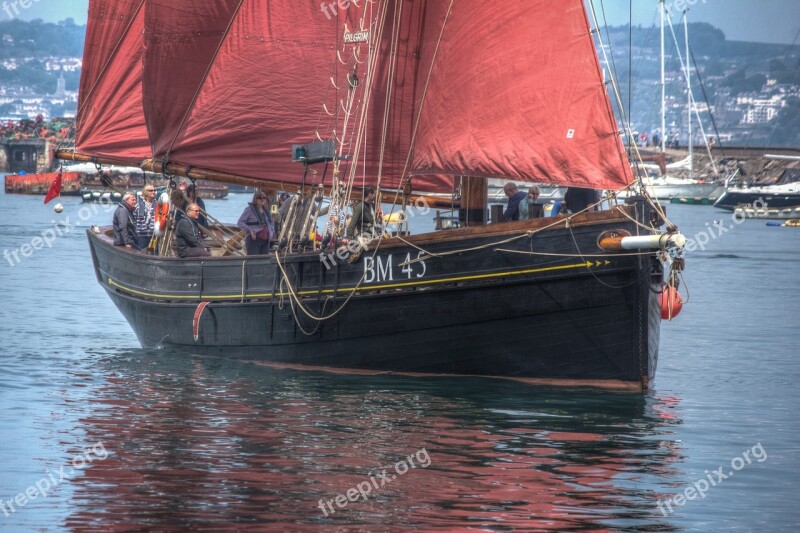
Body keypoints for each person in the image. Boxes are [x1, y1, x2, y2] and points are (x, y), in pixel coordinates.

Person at [237, 190, 275, 255]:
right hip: (254, 240)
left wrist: (272, 232)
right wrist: (250, 230)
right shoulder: (249, 210)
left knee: (264, 261)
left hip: (265, 241)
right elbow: (240, 222)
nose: (262, 199)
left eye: (264, 198)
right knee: (253, 261)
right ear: (255, 199)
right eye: (260, 198)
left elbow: (271, 223)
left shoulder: (266, 211)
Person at [135, 184, 157, 250]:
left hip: (153, 235)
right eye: (150, 190)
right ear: (145, 192)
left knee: (154, 253)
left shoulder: (157, 205)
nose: (153, 192)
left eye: (154, 190)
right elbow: (134, 219)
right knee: (141, 252)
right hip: (141, 236)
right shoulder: (138, 205)